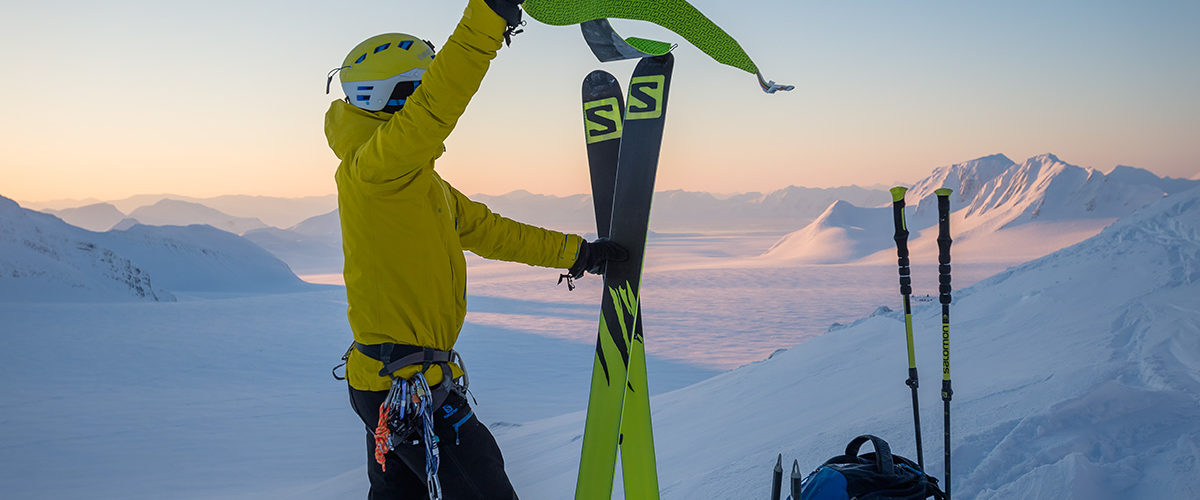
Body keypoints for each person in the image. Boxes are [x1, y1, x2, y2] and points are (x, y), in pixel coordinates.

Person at [324, 0, 627, 498]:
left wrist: (579, 254)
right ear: (399, 96)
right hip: (407, 387)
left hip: (397, 382)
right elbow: (441, 101)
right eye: (419, 84)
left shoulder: (414, 184)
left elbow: (492, 231)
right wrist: (487, 17)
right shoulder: (378, 170)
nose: (426, 94)